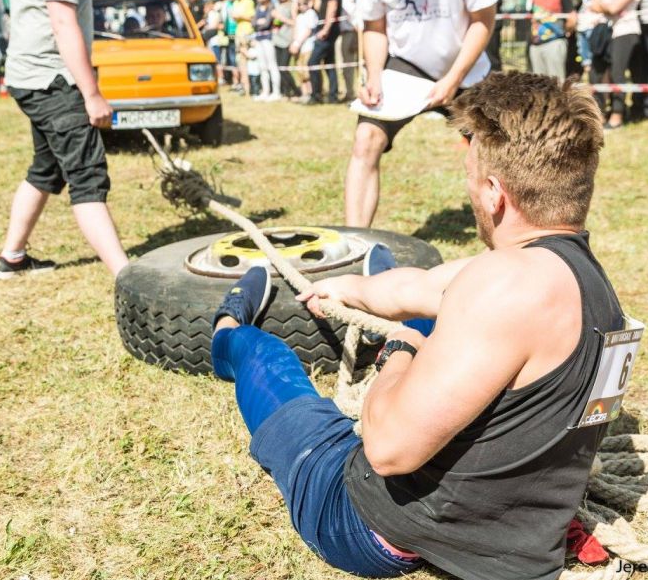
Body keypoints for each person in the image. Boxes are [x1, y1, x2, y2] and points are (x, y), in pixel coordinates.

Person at [208, 71, 622, 580]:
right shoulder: (588, 283)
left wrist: (398, 351)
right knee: (413, 299)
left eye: (470, 175)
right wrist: (346, 291)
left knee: (263, 356)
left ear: (494, 192)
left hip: (374, 526)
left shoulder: (503, 284)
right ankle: (370, 267)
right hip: (511, 543)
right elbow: (421, 288)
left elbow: (387, 451)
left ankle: (225, 326)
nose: (469, 188)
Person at [0, 0, 128, 279]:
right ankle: (127, 278)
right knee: (87, 176)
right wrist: (91, 93)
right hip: (52, 79)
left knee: (46, 168)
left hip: (31, 74)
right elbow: (61, 19)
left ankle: (12, 256)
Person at [345, 0, 497, 228]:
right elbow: (374, 27)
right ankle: (355, 242)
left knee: (490, 157)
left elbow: (483, 20)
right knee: (365, 140)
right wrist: (373, 77)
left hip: (466, 68)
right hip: (407, 65)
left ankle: (505, 244)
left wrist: (453, 79)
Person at [590, 0, 646, 130]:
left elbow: (614, 6)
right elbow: (594, 4)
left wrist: (607, 7)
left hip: (626, 30)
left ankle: (617, 113)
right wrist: (609, 7)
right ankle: (599, 114)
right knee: (597, 72)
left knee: (617, 73)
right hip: (606, 31)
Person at [529, 0, 575, 81]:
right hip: (536, 44)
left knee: (556, 83)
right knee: (538, 84)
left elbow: (572, 18)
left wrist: (566, 30)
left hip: (554, 42)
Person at [306, 0, 342, 105]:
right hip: (328, 30)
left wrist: (325, 29)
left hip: (327, 32)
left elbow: (332, 7)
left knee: (312, 62)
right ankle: (332, 96)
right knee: (329, 63)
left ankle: (316, 95)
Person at [272, 0, 302, 99]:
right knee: (279, 68)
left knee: (284, 68)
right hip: (277, 40)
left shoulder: (292, 4)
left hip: (287, 40)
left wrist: (280, 17)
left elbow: (295, 22)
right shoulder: (278, 4)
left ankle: (296, 91)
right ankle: (286, 92)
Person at [252, 0, 281, 101]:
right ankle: (265, 91)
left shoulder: (271, 7)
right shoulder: (258, 7)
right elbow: (254, 22)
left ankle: (276, 92)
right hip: (259, 39)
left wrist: (260, 23)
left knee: (272, 65)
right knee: (262, 66)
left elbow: (267, 23)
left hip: (268, 39)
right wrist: (259, 22)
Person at [290, 0, 319, 103]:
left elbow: (308, 30)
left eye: (303, 4)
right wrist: (294, 43)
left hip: (308, 47)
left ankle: (311, 93)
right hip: (298, 48)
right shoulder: (299, 16)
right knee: (300, 71)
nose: (301, 6)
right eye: (299, 4)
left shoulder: (311, 14)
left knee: (307, 72)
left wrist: (297, 43)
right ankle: (304, 93)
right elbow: (296, 30)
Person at [230, 0, 256, 96]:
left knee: (248, 61)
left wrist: (240, 16)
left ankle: (251, 87)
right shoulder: (235, 2)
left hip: (247, 33)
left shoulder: (248, 1)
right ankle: (244, 87)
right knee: (240, 61)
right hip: (238, 33)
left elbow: (252, 17)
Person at [339, 0, 360, 101]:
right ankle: (350, 92)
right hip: (348, 32)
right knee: (348, 64)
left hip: (362, 33)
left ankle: (362, 92)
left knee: (362, 64)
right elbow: (349, 10)